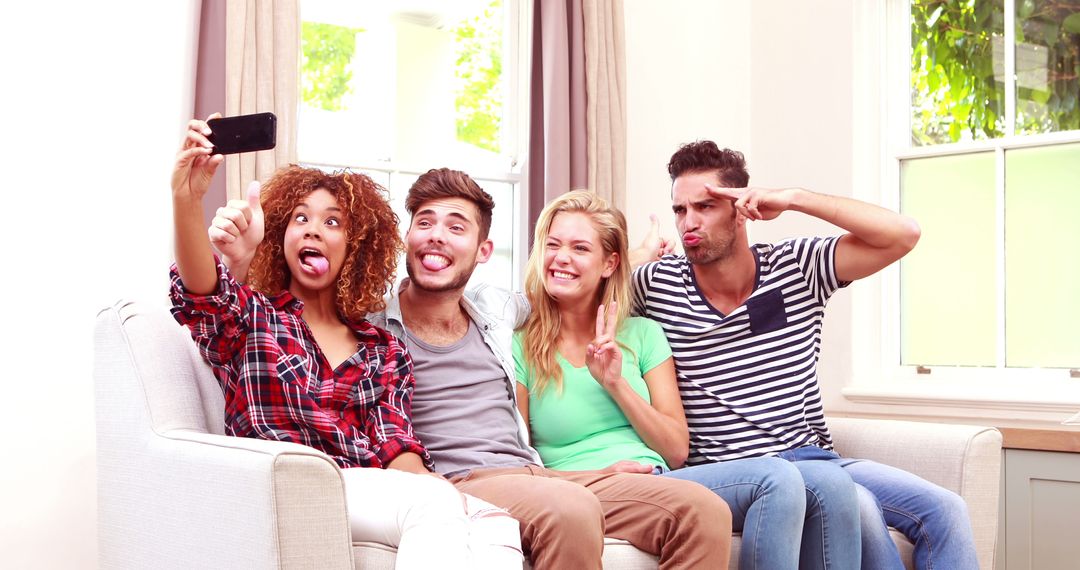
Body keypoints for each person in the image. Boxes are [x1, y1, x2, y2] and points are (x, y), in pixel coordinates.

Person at [213, 167, 733, 569]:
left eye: (455, 227)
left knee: (701, 510)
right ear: (405, 241)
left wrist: (633, 255)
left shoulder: (499, 311)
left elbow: (567, 278)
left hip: (539, 472)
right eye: (425, 223)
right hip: (453, 480)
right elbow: (272, 327)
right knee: (567, 511)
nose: (437, 236)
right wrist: (237, 260)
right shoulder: (368, 330)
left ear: (483, 250)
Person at [169, 115, 521, 569]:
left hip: (364, 489)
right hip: (285, 485)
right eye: (301, 219)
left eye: (332, 222)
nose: (313, 229)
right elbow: (202, 294)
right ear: (282, 236)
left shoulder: (383, 349)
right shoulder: (252, 317)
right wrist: (187, 198)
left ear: (356, 247)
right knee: (432, 505)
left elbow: (396, 444)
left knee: (493, 521)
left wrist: (446, 493)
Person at [631, 140, 979, 570]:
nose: (689, 223)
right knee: (861, 508)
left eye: (704, 207)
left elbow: (902, 234)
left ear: (741, 209)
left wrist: (795, 198)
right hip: (739, 472)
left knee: (946, 510)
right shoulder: (656, 284)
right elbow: (584, 288)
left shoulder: (796, 266)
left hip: (814, 457)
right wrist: (640, 253)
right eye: (680, 210)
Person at [513, 190, 861, 570]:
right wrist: (598, 474)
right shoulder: (519, 345)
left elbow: (677, 449)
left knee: (782, 478)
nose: (561, 257)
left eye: (579, 248)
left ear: (611, 263)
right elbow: (516, 464)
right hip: (585, 487)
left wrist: (616, 383)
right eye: (553, 245)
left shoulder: (643, 334)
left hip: (660, 480)